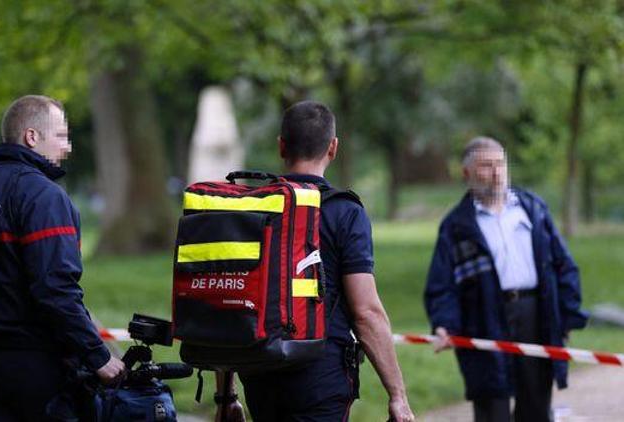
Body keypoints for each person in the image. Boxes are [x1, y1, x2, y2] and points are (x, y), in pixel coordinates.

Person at [217, 101, 414, 422]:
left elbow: (233, 300)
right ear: (333, 148)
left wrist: (226, 396)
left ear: (281, 146)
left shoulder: (253, 207)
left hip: (259, 372)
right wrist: (398, 396)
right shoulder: (345, 212)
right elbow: (366, 312)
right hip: (320, 377)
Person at [0, 95, 125, 421]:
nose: (67, 147)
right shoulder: (44, 197)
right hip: (37, 367)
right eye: (62, 136)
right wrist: (97, 355)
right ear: (31, 137)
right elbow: (54, 288)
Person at [424, 137, 588, 422]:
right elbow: (442, 285)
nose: (497, 172)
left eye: (500, 164)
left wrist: (567, 315)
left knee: (536, 403)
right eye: (486, 166)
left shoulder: (533, 209)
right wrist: (444, 324)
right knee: (492, 406)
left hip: (534, 313)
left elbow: (563, 266)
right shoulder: (456, 226)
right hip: (483, 317)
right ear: (467, 173)